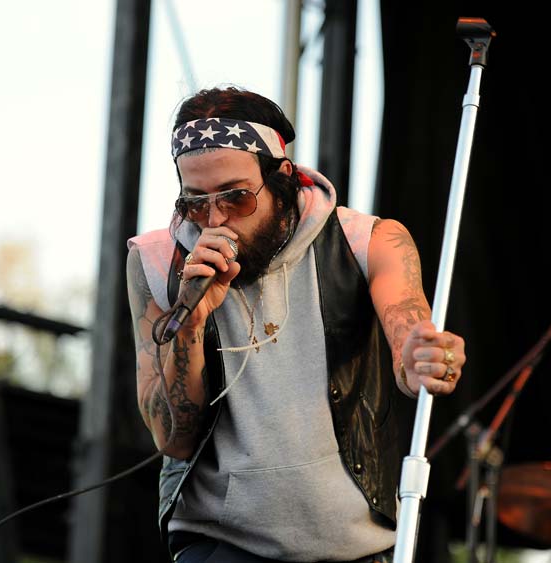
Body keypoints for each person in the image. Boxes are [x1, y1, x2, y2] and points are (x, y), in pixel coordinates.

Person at [126, 86, 466, 563]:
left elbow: (409, 343)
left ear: (282, 176)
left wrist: (421, 359)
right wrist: (190, 322)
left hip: (356, 546)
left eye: (238, 197)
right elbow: (173, 439)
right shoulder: (158, 261)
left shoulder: (367, 240)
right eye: (196, 203)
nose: (216, 219)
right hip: (222, 544)